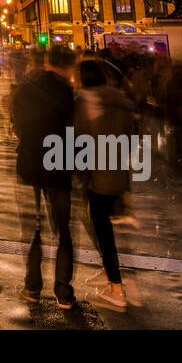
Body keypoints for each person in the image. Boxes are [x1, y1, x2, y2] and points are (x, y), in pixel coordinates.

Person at [13, 44, 77, 309]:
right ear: (68, 66)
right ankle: (63, 291)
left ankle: (32, 287)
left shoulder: (25, 90)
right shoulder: (71, 93)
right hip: (60, 165)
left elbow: (17, 126)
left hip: (30, 165)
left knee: (34, 228)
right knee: (63, 230)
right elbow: (77, 132)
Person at [74, 58, 137, 312]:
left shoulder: (84, 101)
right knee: (107, 228)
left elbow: (76, 139)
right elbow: (133, 136)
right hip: (119, 173)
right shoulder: (119, 98)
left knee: (101, 230)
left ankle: (116, 290)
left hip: (96, 175)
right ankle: (110, 272)